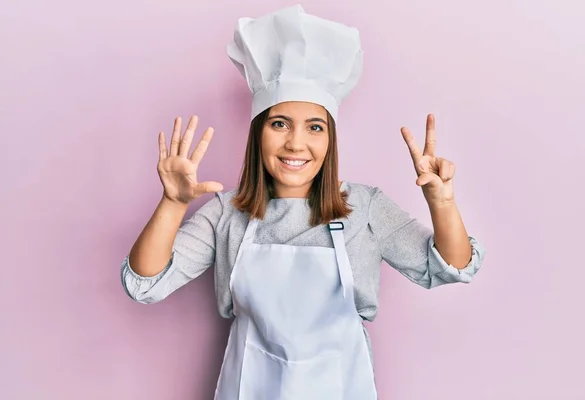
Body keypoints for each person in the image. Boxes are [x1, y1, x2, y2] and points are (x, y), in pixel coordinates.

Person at [120, 5, 486, 399]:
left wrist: (442, 202)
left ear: (330, 140)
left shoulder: (365, 207)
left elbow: (453, 266)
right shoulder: (226, 213)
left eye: (315, 127)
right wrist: (172, 203)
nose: (296, 143)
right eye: (279, 124)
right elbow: (146, 282)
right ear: (258, 133)